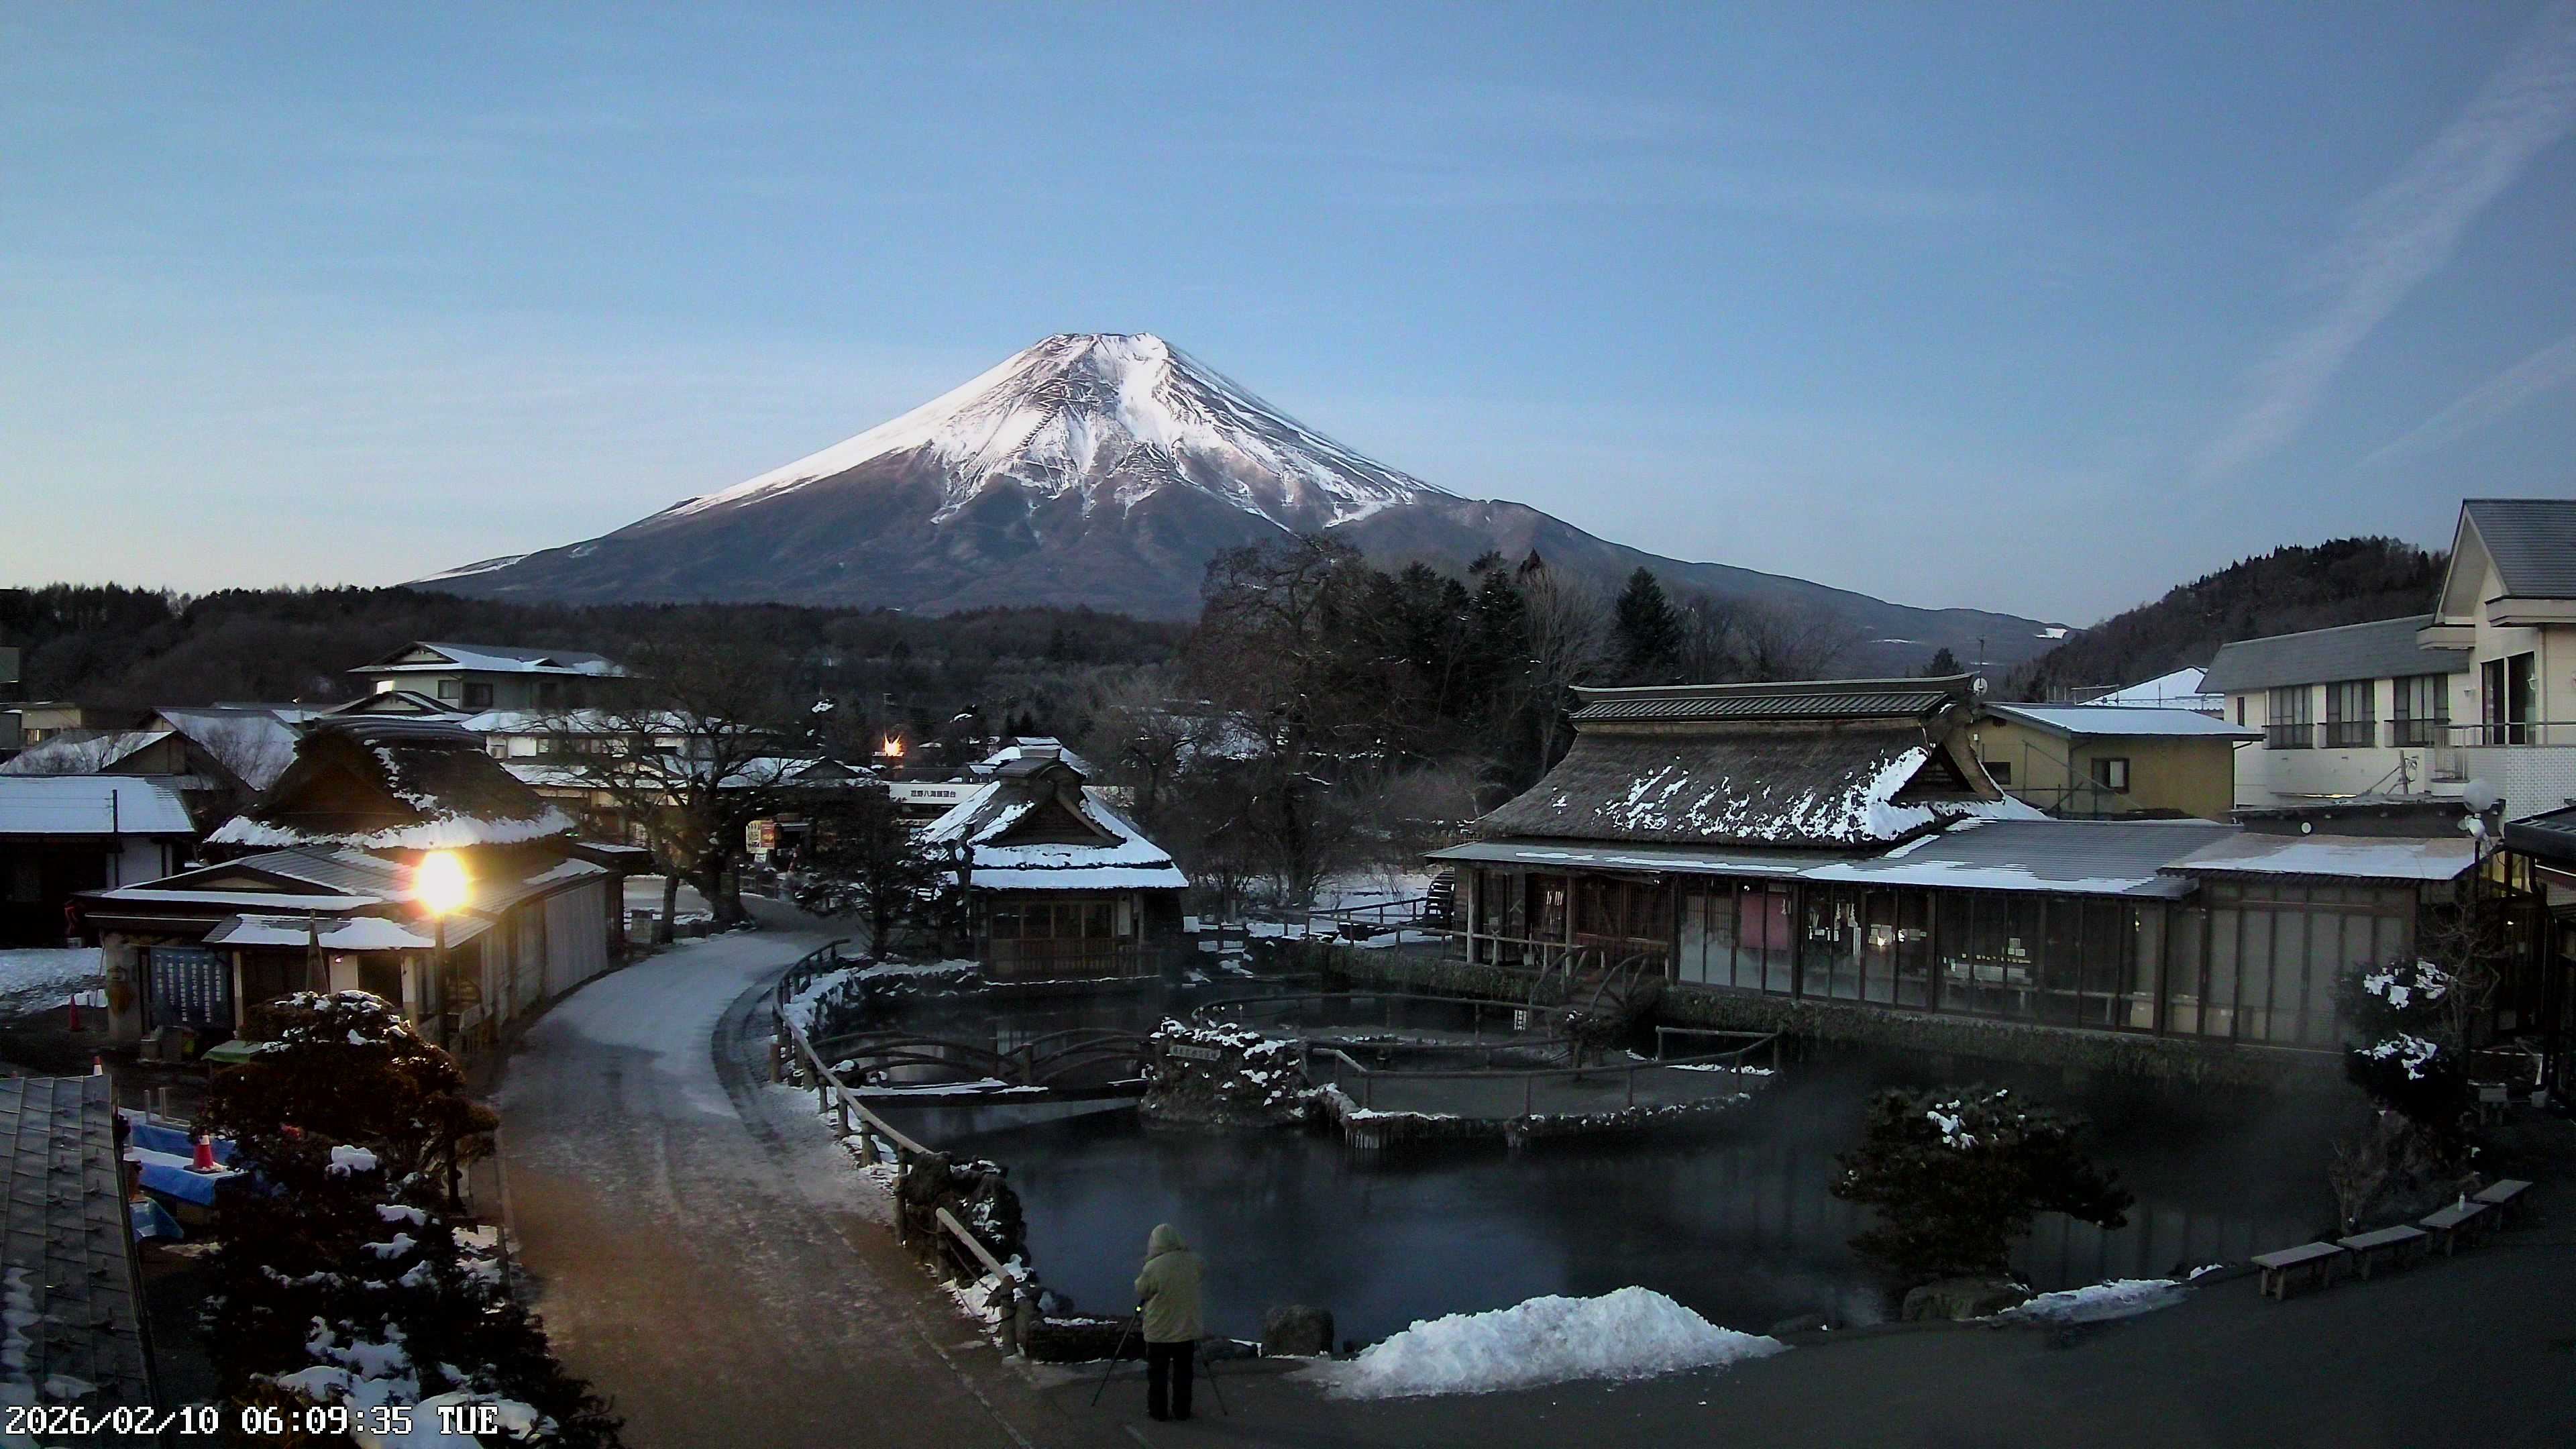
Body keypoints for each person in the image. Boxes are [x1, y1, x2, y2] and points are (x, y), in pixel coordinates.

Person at [1134, 1222, 1204, 1421]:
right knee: (1184, 1372)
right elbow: (1200, 1276)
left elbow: (1142, 1289)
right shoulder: (1194, 1261)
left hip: (1159, 1330)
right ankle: (1182, 1410)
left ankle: (1158, 1411)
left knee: (1158, 1373)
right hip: (1187, 1327)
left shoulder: (1153, 1267)